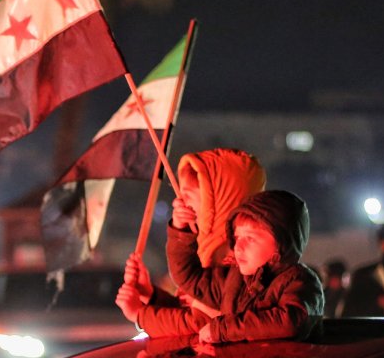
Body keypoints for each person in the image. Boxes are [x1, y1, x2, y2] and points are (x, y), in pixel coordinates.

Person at [116, 147, 266, 336]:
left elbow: (199, 324)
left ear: (217, 202)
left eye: (187, 196)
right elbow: (191, 308)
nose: (178, 202)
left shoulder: (234, 261)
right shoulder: (210, 248)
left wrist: (140, 314)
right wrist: (151, 296)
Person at [154, 189, 324, 344]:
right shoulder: (233, 280)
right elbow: (189, 277)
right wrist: (181, 229)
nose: (237, 246)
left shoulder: (299, 280)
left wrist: (222, 329)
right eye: (237, 237)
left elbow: (291, 322)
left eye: (250, 238)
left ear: (282, 243)